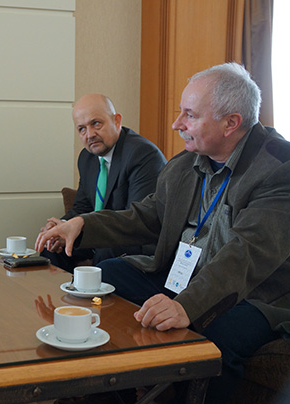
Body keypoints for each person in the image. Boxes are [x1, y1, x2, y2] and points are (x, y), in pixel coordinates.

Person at [36, 62, 290, 403]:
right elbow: (149, 215)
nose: (177, 124)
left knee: (213, 332)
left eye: (190, 115)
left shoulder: (279, 168)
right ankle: (112, 395)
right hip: (184, 276)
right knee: (109, 276)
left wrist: (186, 306)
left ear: (231, 123)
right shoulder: (186, 163)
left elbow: (245, 255)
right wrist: (84, 225)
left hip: (254, 294)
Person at [39, 94, 166, 271]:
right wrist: (61, 226)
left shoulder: (142, 155)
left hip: (135, 242)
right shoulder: (87, 157)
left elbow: (137, 222)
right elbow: (82, 207)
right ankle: (60, 290)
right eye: (82, 129)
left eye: (96, 123)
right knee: (51, 247)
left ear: (116, 121)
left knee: (105, 253)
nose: (90, 134)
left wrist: (84, 227)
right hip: (99, 234)